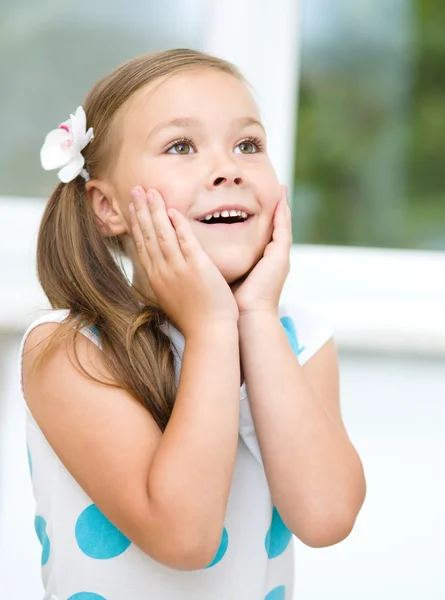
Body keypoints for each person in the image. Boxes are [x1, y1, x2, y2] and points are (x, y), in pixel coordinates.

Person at [20, 48, 366, 600]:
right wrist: (209, 329)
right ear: (107, 207)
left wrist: (253, 317)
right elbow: (184, 538)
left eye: (248, 145)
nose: (228, 167)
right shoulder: (72, 349)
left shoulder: (299, 338)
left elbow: (326, 517)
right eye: (181, 146)